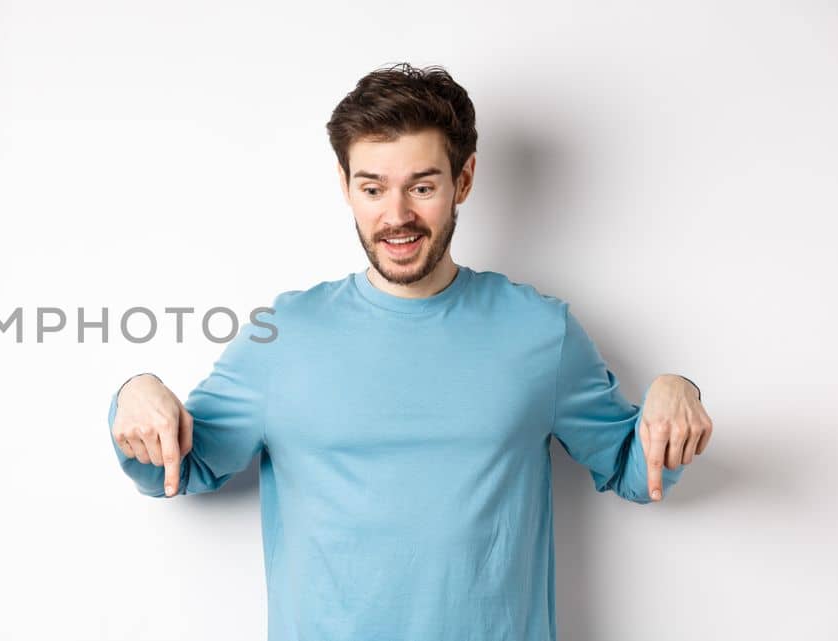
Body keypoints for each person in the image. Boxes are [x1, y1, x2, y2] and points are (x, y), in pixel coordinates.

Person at [106, 62, 715, 641]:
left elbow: (635, 470)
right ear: (345, 186)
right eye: (373, 188)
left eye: (422, 186)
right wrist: (135, 394)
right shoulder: (283, 335)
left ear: (464, 180)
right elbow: (177, 467)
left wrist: (675, 391)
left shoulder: (540, 331)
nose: (396, 217)